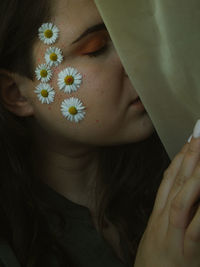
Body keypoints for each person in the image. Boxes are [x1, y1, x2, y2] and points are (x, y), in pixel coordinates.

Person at [0, 0, 198, 267]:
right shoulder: (13, 244)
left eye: (127, 36)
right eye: (97, 48)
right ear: (16, 94)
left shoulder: (181, 164)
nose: (135, 59)